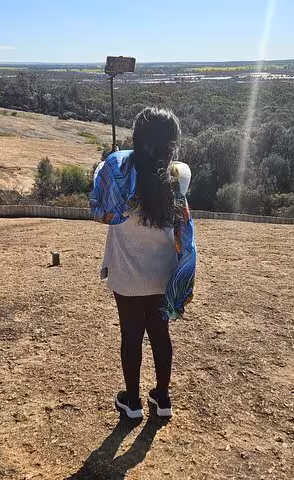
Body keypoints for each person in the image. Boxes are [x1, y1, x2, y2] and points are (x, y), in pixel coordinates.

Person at [90, 107, 197, 419]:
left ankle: (132, 402)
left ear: (137, 137)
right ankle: (162, 399)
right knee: (161, 335)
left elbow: (98, 209)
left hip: (127, 273)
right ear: (171, 144)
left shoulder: (116, 169)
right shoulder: (179, 177)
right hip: (164, 274)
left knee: (131, 336)